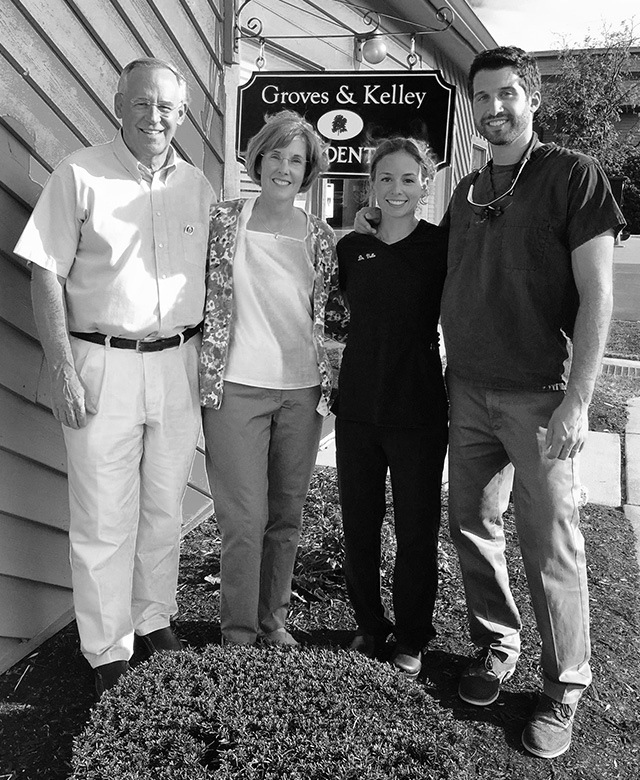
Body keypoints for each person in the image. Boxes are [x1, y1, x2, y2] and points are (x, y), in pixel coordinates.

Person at [355, 46, 624, 760]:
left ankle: (564, 687)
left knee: (550, 544)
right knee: (472, 525)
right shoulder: (468, 191)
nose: (494, 108)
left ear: (532, 98)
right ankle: (496, 645)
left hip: (539, 398)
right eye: (483, 96)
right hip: (466, 392)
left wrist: (578, 401)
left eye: (507, 93)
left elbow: (599, 292)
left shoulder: (573, 176)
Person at [14, 57, 215, 696]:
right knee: (103, 514)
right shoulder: (81, 173)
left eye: (167, 107)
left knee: (163, 502)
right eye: (142, 103)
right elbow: (44, 269)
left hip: (178, 363)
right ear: (118, 103)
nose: (155, 117)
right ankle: (107, 646)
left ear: (181, 114)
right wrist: (63, 369)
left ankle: (154, 617)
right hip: (101, 362)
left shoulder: (198, 187)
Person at [199, 110, 347, 646]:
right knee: (243, 519)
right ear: (258, 159)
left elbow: (336, 314)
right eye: (277, 156)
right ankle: (238, 632)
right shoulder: (223, 221)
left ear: (308, 171)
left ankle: (273, 622)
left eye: (297, 160)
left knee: (285, 517)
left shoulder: (321, 237)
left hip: (302, 392)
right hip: (235, 387)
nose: (285, 167)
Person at [333, 138, 448, 679]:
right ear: (371, 184)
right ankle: (369, 625)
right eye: (385, 179)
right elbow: (332, 321)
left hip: (419, 412)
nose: (396, 189)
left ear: (425, 184)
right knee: (358, 524)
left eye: (408, 179)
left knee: (416, 529)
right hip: (357, 407)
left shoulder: (442, 247)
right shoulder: (351, 249)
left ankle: (412, 635)